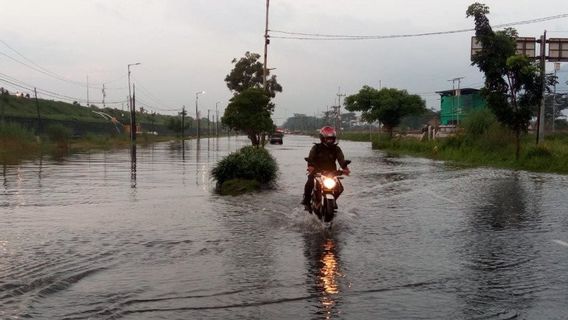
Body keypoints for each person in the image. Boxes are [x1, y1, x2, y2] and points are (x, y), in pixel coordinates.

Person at [301, 126, 350, 210]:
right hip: (317, 172)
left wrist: (345, 168)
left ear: (334, 139)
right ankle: (307, 201)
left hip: (332, 173)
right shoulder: (316, 148)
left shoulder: (336, 149)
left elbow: (341, 159)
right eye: (328, 139)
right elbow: (311, 158)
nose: (330, 140)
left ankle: (332, 200)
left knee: (340, 188)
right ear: (322, 138)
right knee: (309, 183)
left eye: (331, 139)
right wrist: (310, 166)